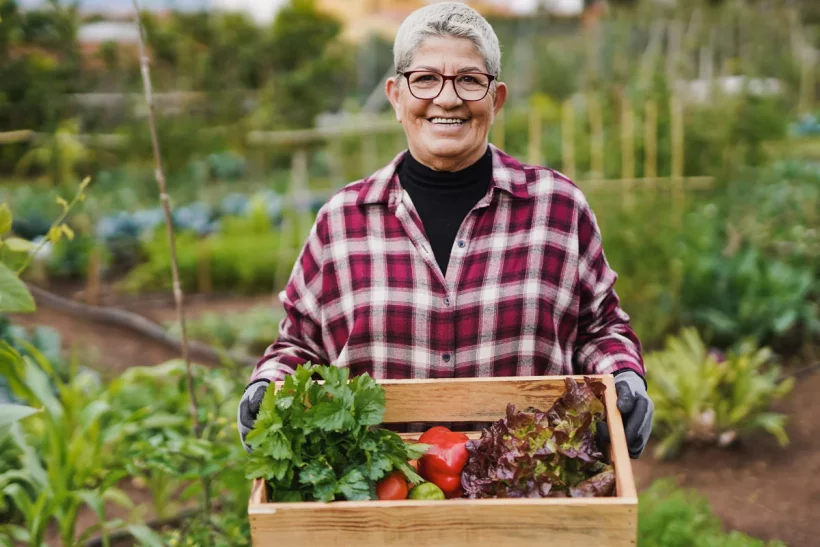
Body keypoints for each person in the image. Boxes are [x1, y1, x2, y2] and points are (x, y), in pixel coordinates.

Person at [238, 2, 652, 459]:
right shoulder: (342, 220)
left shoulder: (557, 207)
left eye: (470, 80)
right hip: (380, 500)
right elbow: (300, 343)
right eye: (426, 79)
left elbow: (600, 328)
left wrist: (623, 375)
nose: (448, 98)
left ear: (496, 100)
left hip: (531, 501)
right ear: (396, 96)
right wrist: (266, 385)